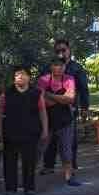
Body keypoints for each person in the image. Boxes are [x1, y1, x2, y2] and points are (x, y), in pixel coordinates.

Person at [0, 65, 49, 195]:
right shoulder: (6, 94)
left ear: (29, 77)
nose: (21, 77)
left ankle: (29, 187)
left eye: (23, 74)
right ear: (13, 79)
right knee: (9, 161)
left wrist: (45, 129)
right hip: (10, 132)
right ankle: (10, 188)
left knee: (29, 161)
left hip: (31, 132)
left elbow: (42, 112)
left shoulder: (36, 93)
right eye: (17, 75)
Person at [36, 57, 81, 186]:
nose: (59, 68)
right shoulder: (43, 80)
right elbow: (41, 101)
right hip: (46, 121)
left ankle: (69, 177)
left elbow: (71, 99)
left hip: (65, 121)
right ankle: (29, 176)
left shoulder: (69, 79)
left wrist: (49, 95)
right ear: (51, 66)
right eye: (56, 65)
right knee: (39, 149)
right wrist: (62, 99)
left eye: (62, 65)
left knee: (66, 151)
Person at [54, 38, 91, 156]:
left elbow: (84, 89)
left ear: (69, 50)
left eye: (63, 50)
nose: (61, 53)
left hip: (70, 108)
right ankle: (48, 164)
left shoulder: (77, 68)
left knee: (71, 138)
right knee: (51, 138)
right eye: (57, 51)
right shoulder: (50, 67)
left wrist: (84, 107)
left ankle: (72, 164)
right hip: (52, 107)